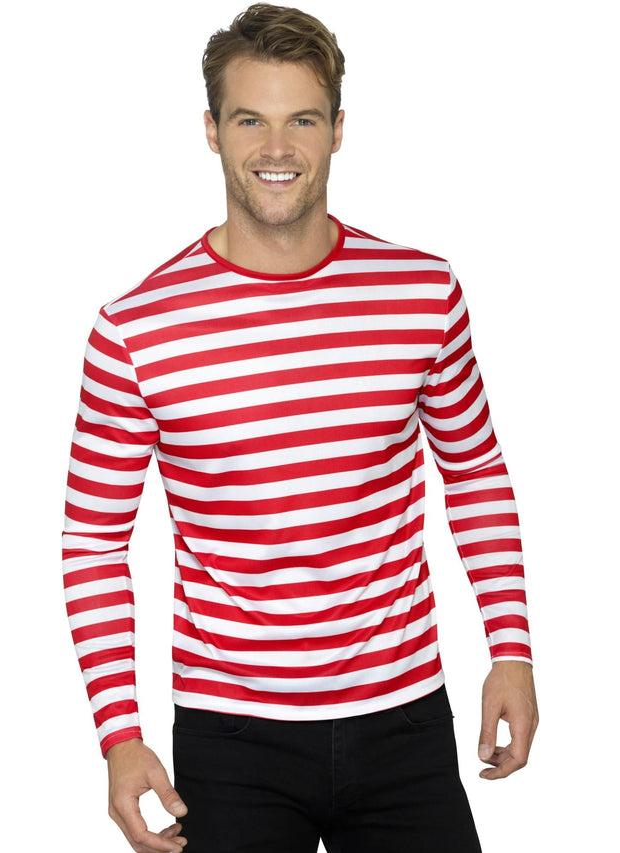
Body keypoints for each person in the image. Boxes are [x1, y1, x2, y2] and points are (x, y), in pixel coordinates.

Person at [62, 4, 538, 852]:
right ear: (211, 130)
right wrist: (120, 735)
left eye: (303, 120)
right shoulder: (137, 329)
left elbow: (474, 471)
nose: (276, 147)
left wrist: (511, 648)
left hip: (404, 718)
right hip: (230, 738)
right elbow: (93, 540)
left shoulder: (422, 294)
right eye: (250, 119)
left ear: (339, 130)